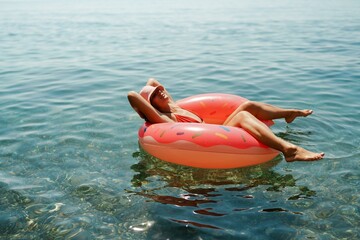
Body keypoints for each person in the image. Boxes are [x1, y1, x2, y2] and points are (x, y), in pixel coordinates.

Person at [128, 78, 325, 162]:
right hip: (207, 139)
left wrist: (151, 90)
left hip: (216, 129)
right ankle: (289, 150)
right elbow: (132, 95)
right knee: (242, 115)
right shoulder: (161, 117)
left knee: (249, 106)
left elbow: (153, 80)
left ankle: (288, 113)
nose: (161, 91)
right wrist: (145, 105)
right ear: (150, 106)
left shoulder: (173, 105)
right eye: (156, 94)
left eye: (161, 91)